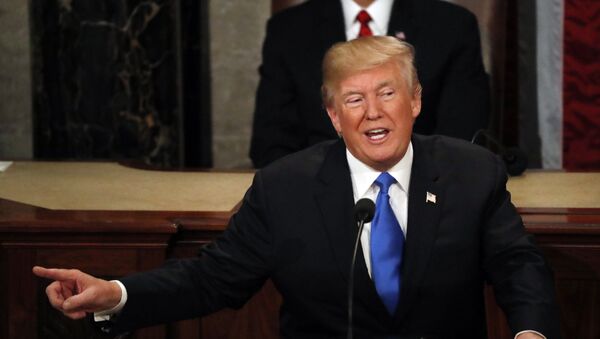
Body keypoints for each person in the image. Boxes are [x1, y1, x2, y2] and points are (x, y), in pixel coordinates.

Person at [34, 36, 559, 338]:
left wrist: (531, 332)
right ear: (333, 116)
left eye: (387, 93)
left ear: (416, 101)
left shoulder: (472, 173)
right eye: (353, 100)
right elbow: (211, 281)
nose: (373, 112)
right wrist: (118, 294)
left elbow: (518, 267)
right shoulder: (285, 188)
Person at [250, 0, 490, 168]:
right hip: (315, 196)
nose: (372, 111)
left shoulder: (452, 25)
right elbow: (272, 143)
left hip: (426, 193)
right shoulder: (288, 29)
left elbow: (462, 136)